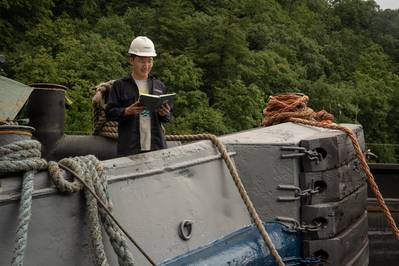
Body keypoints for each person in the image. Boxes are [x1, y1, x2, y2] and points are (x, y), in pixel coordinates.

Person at [106, 36, 171, 156]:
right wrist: (126, 111)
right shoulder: (120, 85)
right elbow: (109, 113)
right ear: (131, 60)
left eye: (149, 60)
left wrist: (165, 113)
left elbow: (167, 117)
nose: (146, 65)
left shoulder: (159, 86)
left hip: (156, 147)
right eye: (141, 61)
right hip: (130, 148)